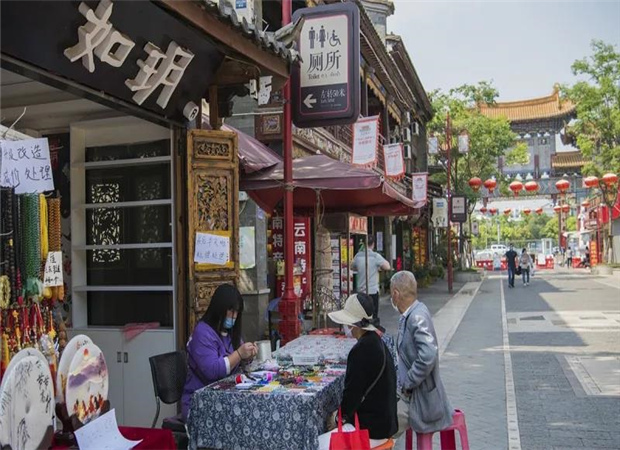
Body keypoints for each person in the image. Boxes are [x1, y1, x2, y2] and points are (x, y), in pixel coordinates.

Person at [318, 293, 398, 450]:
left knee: (316, 444)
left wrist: (337, 418)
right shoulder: (376, 341)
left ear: (353, 325)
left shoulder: (361, 350)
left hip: (371, 430)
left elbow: (351, 396)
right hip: (385, 424)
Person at [390, 271, 453, 437]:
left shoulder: (417, 316)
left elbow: (428, 354)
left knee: (381, 424)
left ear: (396, 294)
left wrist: (408, 382)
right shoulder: (410, 314)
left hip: (419, 399)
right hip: (409, 393)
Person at [181, 284, 257, 420]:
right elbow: (212, 370)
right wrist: (239, 354)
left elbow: (238, 360)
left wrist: (248, 356)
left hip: (225, 397)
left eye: (237, 312)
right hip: (200, 402)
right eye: (231, 311)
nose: (234, 316)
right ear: (219, 308)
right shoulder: (202, 333)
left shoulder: (230, 332)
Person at [352, 236, 391, 320]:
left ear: (363, 244)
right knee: (373, 316)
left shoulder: (358, 256)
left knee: (362, 316)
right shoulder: (375, 256)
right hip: (372, 291)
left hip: (361, 291)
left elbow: (352, 267)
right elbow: (387, 266)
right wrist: (379, 268)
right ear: (373, 244)